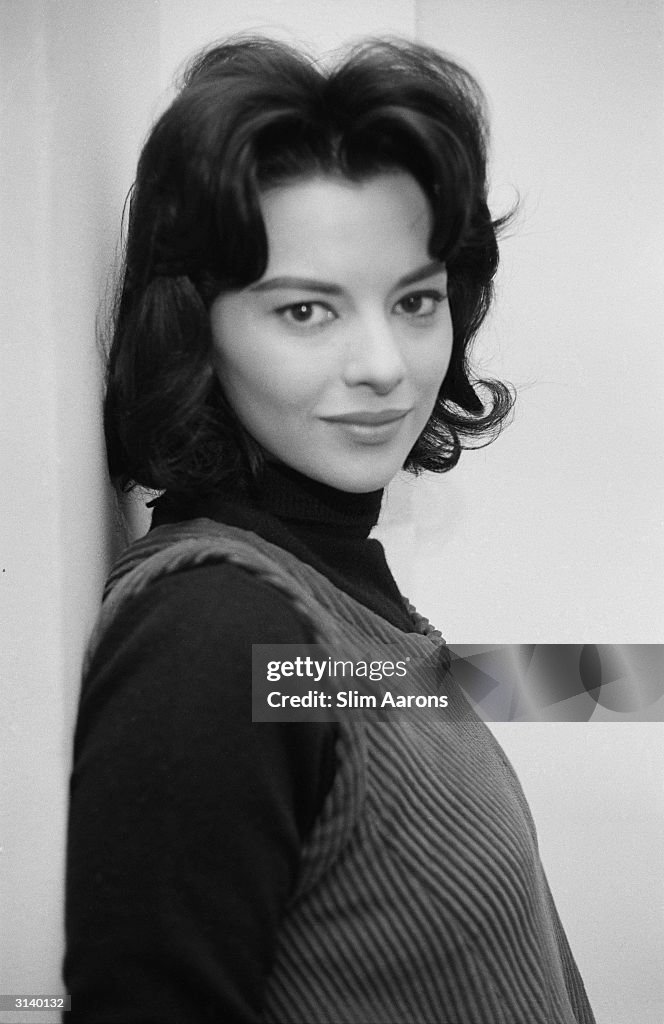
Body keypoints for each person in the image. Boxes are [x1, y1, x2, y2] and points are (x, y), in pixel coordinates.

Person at [63, 36, 596, 1024]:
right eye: (307, 309)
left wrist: (615, 678)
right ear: (194, 324)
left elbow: (397, 701)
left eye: (416, 300)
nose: (385, 365)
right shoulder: (215, 632)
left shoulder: (328, 615)